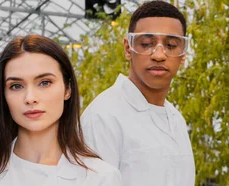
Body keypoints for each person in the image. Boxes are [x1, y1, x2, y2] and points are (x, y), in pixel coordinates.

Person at [0, 34, 121, 186]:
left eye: (44, 82)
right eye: (16, 86)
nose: (30, 98)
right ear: (3, 95)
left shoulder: (101, 178)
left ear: (67, 89)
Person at [81, 1, 195, 186]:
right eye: (147, 44)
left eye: (171, 45)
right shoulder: (103, 117)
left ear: (182, 54)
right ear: (128, 48)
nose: (159, 55)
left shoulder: (176, 119)